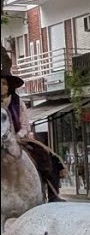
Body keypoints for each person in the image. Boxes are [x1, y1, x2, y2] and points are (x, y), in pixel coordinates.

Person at [2, 50, 64, 202]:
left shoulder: (18, 102)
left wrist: (19, 136)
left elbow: (24, 125)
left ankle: (53, 194)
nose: (1, 86)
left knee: (47, 156)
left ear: (9, 86)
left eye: (3, 83)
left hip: (17, 138)